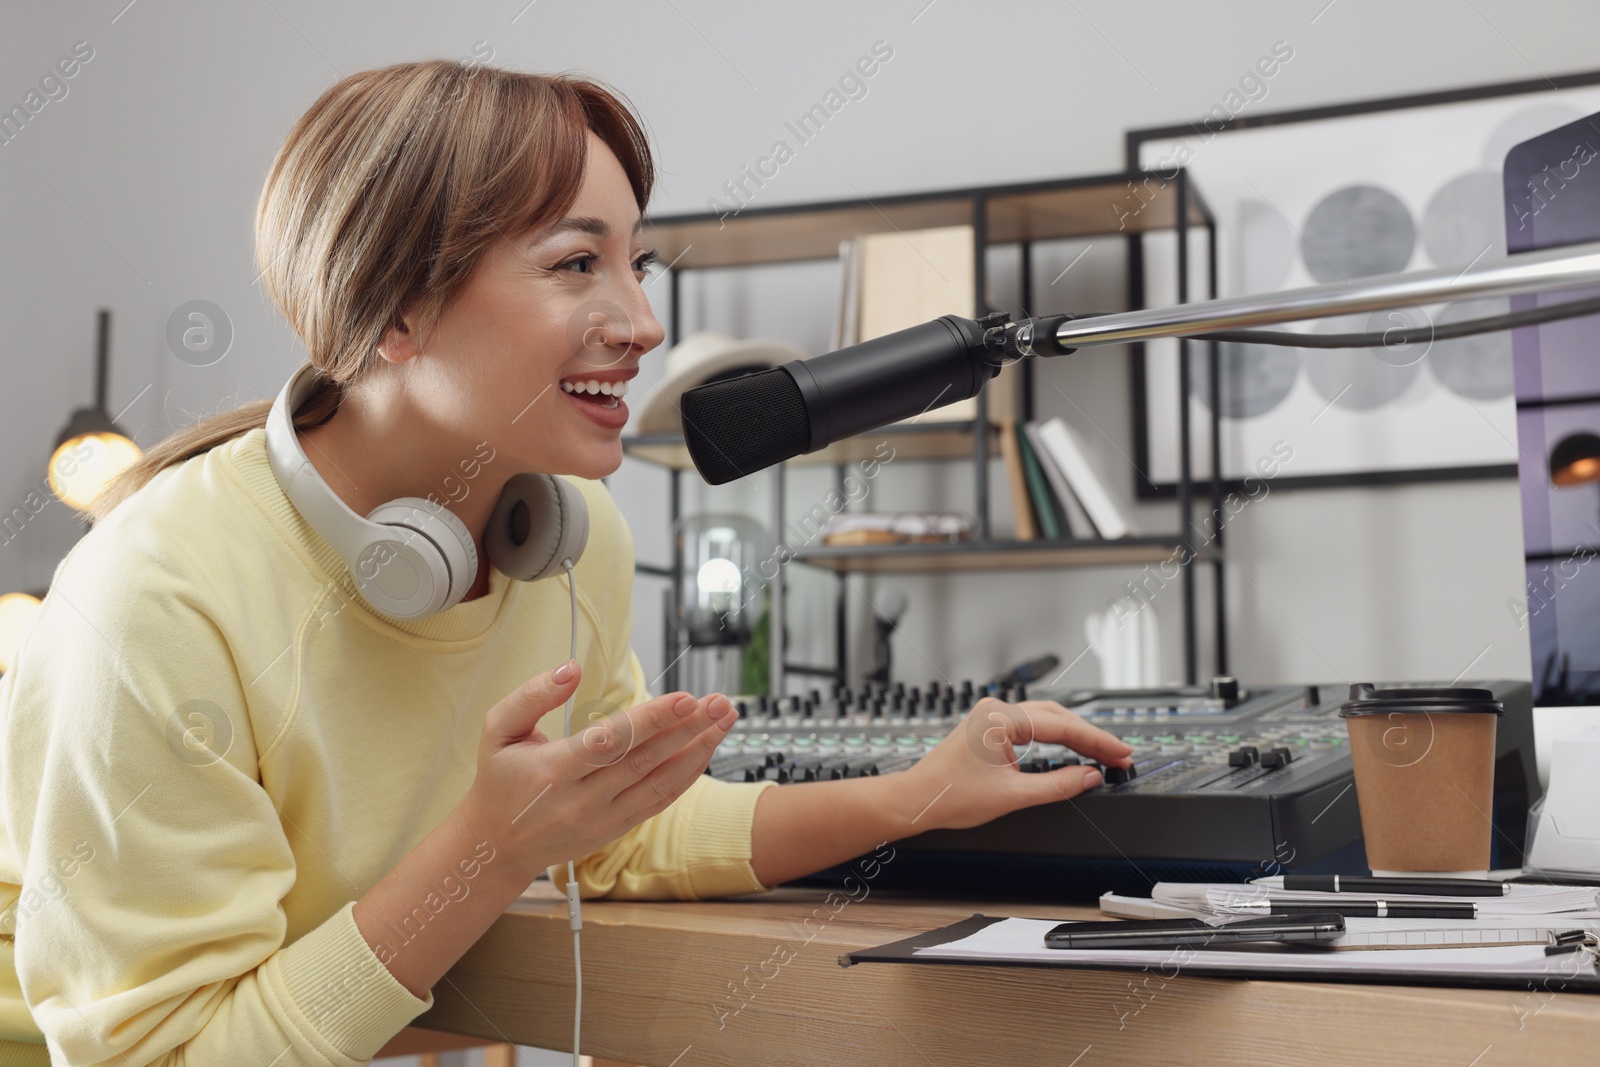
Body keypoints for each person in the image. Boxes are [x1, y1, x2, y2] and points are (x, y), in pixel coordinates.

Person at [0, 60, 1134, 1066]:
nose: (640, 320)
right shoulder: (155, 594)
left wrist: (916, 793)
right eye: (576, 262)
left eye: (634, 261)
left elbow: (626, 830)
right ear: (393, 306)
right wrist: (487, 850)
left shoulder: (561, 539)